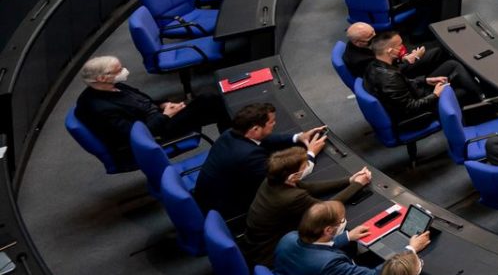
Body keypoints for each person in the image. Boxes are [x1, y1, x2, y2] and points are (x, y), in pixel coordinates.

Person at [73, 55, 225, 170]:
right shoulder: (100, 108)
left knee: (212, 101)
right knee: (212, 102)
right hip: (155, 133)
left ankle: (232, 141)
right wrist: (166, 115)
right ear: (102, 77)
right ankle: (234, 146)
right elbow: (136, 135)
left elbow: (143, 101)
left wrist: (164, 104)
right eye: (118, 70)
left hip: (158, 117)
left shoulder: (113, 85)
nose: (124, 71)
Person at [275, 201, 419, 275]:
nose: (344, 222)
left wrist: (347, 237)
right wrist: (409, 250)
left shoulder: (288, 238)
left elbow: (315, 247)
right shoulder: (330, 266)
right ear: (328, 230)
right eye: (341, 221)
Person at [193, 102, 324, 221]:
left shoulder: (230, 134)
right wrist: (310, 154)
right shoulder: (249, 156)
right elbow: (280, 180)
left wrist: (298, 137)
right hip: (228, 210)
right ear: (255, 129)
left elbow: (263, 139)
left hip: (208, 197)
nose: (274, 124)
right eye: (271, 122)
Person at [243, 146, 372, 264]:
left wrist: (349, 180)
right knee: (340, 229)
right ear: (293, 176)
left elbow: (309, 187)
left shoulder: (272, 180)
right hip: (273, 253)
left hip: (256, 244)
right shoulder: (292, 197)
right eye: (304, 166)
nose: (307, 167)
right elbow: (326, 208)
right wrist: (358, 184)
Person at [364, 30, 451, 129]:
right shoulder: (390, 78)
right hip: (418, 114)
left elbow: (403, 83)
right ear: (390, 51)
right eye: (400, 45)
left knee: (451, 65)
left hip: (414, 93)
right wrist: (435, 95)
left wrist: (425, 80)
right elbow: (411, 108)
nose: (403, 47)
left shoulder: (374, 65)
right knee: (461, 92)